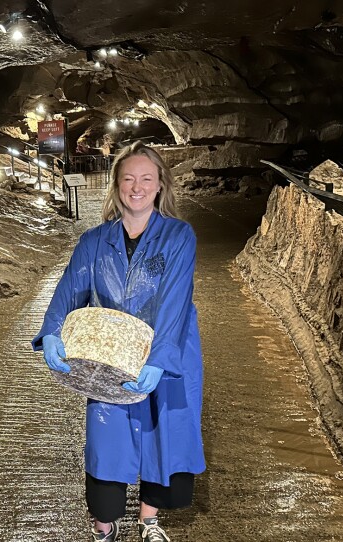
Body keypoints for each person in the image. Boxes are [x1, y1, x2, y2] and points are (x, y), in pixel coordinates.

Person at [33, 142, 205, 542]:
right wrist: (52, 331)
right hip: (109, 357)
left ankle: (148, 521)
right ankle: (104, 526)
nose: (137, 187)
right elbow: (68, 290)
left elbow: (176, 301)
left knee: (162, 434)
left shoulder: (179, 236)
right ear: (116, 185)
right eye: (128, 178)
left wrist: (160, 358)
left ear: (160, 185)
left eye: (147, 178)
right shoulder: (94, 241)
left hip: (169, 347)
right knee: (108, 440)